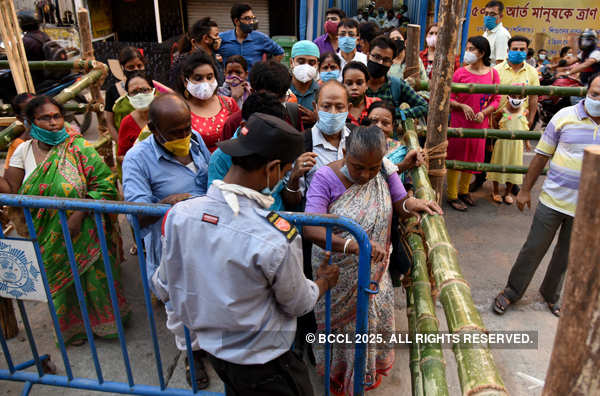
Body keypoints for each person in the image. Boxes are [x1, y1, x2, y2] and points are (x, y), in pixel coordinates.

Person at [154, 112, 340, 396]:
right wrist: (324, 282)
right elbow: (298, 303)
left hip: (216, 354)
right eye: (286, 171)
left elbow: (162, 285)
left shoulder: (180, 215)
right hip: (266, 363)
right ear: (274, 169)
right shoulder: (275, 236)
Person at [303, 125, 442, 395]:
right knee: (340, 331)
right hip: (336, 274)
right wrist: (353, 246)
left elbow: (399, 203)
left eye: (373, 168)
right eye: (357, 168)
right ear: (344, 153)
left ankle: (364, 375)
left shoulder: (386, 170)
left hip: (375, 273)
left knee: (369, 325)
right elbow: (311, 228)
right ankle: (338, 377)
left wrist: (412, 204)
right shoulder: (324, 178)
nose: (366, 175)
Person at [0, 95, 130, 346]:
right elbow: (11, 188)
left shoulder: (78, 147)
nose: (53, 123)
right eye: (45, 118)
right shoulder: (23, 152)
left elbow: (104, 185)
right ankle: (74, 330)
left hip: (86, 230)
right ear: (31, 123)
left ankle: (106, 326)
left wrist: (78, 217)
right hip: (48, 235)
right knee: (63, 284)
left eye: (57, 116)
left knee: (95, 278)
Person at [122, 93, 212, 388]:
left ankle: (214, 347)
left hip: (207, 239)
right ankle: (192, 356)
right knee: (180, 306)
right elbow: (136, 215)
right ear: (153, 128)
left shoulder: (196, 141)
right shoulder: (138, 158)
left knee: (211, 297)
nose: (183, 136)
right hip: (171, 248)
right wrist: (168, 202)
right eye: (175, 133)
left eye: (186, 127)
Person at [493, 73, 600, 318]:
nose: (598, 99)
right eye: (595, 94)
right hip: (553, 200)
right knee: (533, 248)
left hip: (587, 207)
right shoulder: (565, 117)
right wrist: (526, 190)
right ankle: (512, 291)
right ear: (586, 92)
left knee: (566, 254)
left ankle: (551, 295)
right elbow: (541, 156)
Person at [208, 92, 315, 211]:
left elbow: (290, 199)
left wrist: (293, 179)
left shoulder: (280, 148)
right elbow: (217, 207)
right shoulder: (219, 158)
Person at [472, 35, 540, 193]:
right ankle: (480, 178)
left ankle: (512, 183)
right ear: (508, 51)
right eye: (515, 49)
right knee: (488, 154)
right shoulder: (496, 70)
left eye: (522, 49)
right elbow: (487, 96)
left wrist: (529, 121)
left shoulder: (532, 73)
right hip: (495, 120)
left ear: (527, 51)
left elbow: (534, 99)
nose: (518, 52)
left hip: (517, 121)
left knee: (514, 153)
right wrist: (489, 116)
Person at [447, 36, 500, 211]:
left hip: (479, 123)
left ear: (482, 53)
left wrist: (484, 113)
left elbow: (497, 99)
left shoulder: (493, 74)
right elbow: (450, 98)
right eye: (467, 48)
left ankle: (464, 191)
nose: (467, 52)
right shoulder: (460, 73)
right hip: (459, 121)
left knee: (472, 156)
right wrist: (461, 106)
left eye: (471, 49)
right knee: (456, 156)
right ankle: (452, 195)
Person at [221, 60, 304, 142]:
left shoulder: (293, 115)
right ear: (252, 92)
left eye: (278, 98)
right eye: (267, 99)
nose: (273, 105)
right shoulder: (234, 122)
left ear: (285, 96)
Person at [177, 51, 239, 152]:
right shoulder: (181, 110)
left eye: (209, 77)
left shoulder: (229, 103)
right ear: (185, 81)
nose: (205, 83)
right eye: (198, 78)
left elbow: (240, 134)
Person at [105, 47, 170, 142]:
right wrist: (121, 144)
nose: (136, 69)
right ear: (122, 68)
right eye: (131, 67)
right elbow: (110, 123)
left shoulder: (152, 86)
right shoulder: (113, 91)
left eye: (140, 66)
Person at [366, 36, 428, 120]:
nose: (380, 62)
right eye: (376, 57)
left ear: (391, 63)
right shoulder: (356, 83)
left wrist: (396, 114)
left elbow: (424, 106)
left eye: (386, 60)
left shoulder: (396, 85)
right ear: (368, 56)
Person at [366, 101, 424, 182]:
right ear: (366, 122)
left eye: (385, 123)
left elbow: (409, 181)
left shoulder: (402, 151)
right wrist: (403, 165)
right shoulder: (355, 146)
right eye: (374, 121)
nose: (378, 126)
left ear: (392, 126)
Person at [487, 89, 528, 204]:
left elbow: (525, 127)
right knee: (498, 166)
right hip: (503, 144)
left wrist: (527, 142)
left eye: (520, 97)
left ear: (524, 99)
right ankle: (495, 191)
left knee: (513, 168)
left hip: (516, 145)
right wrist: (495, 134)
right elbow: (495, 118)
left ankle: (507, 193)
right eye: (514, 96)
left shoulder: (524, 112)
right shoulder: (504, 111)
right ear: (508, 97)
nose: (517, 100)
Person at [218, 3, 284, 70]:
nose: (251, 22)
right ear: (236, 21)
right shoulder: (222, 38)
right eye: (247, 18)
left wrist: (268, 71)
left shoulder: (261, 38)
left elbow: (279, 53)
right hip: (230, 80)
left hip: (253, 80)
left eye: (253, 18)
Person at [169, 17, 224, 88]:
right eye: (216, 35)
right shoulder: (183, 61)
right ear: (206, 39)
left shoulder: (215, 58)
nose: (218, 38)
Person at [117, 72, 156, 159]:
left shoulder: (165, 115)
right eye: (134, 92)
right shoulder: (127, 123)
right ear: (128, 96)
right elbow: (121, 155)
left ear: (153, 91)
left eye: (145, 90)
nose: (140, 95)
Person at [289, 41, 321, 128]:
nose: (306, 66)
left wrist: (317, 119)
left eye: (311, 63)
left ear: (317, 65)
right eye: (301, 61)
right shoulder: (282, 90)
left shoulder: (322, 92)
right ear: (291, 62)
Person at [343, 61, 380, 125]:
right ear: (343, 85)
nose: (354, 87)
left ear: (367, 84)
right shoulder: (337, 108)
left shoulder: (376, 105)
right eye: (349, 83)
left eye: (359, 83)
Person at [5, 93, 34, 169]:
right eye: (29, 113)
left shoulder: (61, 132)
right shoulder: (19, 145)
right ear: (20, 118)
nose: (36, 114)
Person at [482, 1, 511, 65]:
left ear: (501, 16)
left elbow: (500, 63)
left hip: (493, 73)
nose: (488, 17)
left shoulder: (502, 35)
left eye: (492, 14)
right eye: (486, 14)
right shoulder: (486, 33)